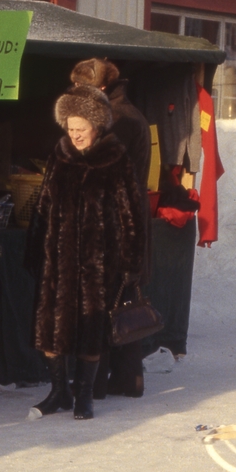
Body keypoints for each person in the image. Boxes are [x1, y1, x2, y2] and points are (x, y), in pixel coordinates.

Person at [26, 84, 145, 421]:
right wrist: (35, 249)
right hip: (57, 260)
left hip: (97, 262)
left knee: (90, 330)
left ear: (97, 126)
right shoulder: (60, 154)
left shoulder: (115, 157)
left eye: (81, 129)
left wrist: (131, 262)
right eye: (70, 128)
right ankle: (59, 390)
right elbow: (43, 205)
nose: (75, 135)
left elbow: (132, 214)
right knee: (50, 328)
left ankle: (84, 395)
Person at [69, 58, 152, 400]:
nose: (74, 95)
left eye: (79, 89)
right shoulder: (127, 113)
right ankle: (128, 378)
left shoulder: (116, 120)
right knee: (122, 298)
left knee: (101, 301)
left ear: (99, 88)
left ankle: (96, 383)